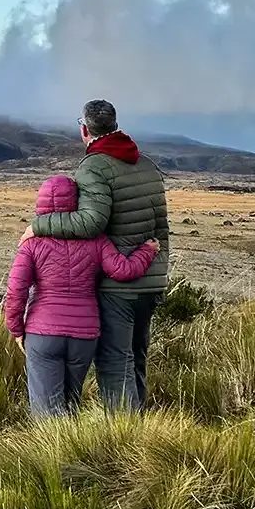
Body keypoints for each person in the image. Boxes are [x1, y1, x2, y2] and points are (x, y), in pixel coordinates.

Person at [21, 99, 169, 412]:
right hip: (151, 279)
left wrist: (39, 225)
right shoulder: (146, 165)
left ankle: (122, 441)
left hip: (119, 284)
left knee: (116, 362)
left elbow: (91, 222)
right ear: (115, 125)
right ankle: (141, 434)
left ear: (84, 129)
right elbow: (161, 228)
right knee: (136, 358)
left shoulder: (94, 167)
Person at [7, 175, 159, 416]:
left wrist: (16, 329)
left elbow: (16, 289)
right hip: (84, 335)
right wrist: (147, 252)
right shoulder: (97, 241)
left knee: (47, 411)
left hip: (42, 332)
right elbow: (123, 270)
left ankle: (52, 452)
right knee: (71, 402)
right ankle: (77, 447)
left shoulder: (32, 244)